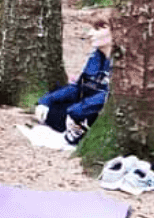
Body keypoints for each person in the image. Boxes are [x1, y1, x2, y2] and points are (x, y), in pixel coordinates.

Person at [35, 11, 113, 145]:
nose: (90, 34)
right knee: (53, 109)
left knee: (72, 115)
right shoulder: (96, 57)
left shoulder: (124, 63)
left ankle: (79, 128)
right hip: (83, 106)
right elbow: (79, 86)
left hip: (100, 111)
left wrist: (77, 111)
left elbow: (109, 96)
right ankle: (73, 125)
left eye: (96, 29)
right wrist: (45, 101)